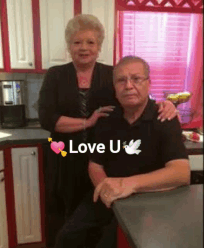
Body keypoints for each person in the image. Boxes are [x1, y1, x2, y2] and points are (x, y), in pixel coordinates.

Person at [38, 14, 178, 247]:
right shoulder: (55, 75)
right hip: (66, 157)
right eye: (77, 42)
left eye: (90, 42)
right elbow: (47, 119)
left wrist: (165, 104)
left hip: (104, 158)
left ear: (99, 46)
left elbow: (133, 97)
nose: (84, 48)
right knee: (69, 217)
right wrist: (88, 122)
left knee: (104, 218)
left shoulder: (110, 74)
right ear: (69, 46)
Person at [54, 56, 190, 248]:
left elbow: (181, 173)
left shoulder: (164, 118)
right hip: (108, 196)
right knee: (67, 238)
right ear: (115, 88)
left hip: (150, 201)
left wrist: (128, 185)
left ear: (149, 84)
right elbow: (95, 164)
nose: (128, 85)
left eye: (136, 79)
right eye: (121, 80)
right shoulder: (106, 118)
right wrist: (106, 191)